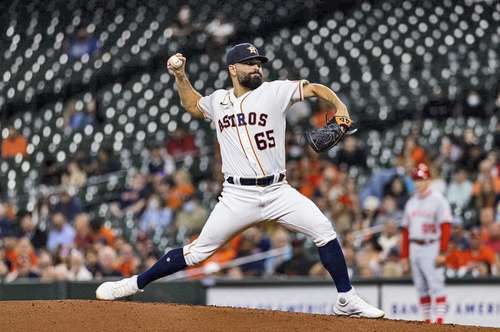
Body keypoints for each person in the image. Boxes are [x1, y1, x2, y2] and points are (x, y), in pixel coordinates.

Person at [96, 43, 384, 318]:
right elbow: (193, 105)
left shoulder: (274, 91)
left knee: (323, 229)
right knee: (197, 253)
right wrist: (180, 76)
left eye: (258, 63)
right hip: (237, 195)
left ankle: (346, 298)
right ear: (233, 69)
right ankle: (134, 284)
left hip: (277, 190)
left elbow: (313, 89)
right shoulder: (219, 100)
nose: (256, 68)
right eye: (250, 64)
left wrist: (340, 107)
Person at [400, 163, 452, 324]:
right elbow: (406, 231)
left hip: (432, 245)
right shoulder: (411, 202)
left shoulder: (438, 200)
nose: (418, 183)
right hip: (415, 247)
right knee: (421, 287)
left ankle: (440, 321)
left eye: (421, 179)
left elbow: (446, 226)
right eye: (415, 179)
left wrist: (442, 252)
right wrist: (404, 256)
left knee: (436, 284)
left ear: (429, 180)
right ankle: (427, 321)